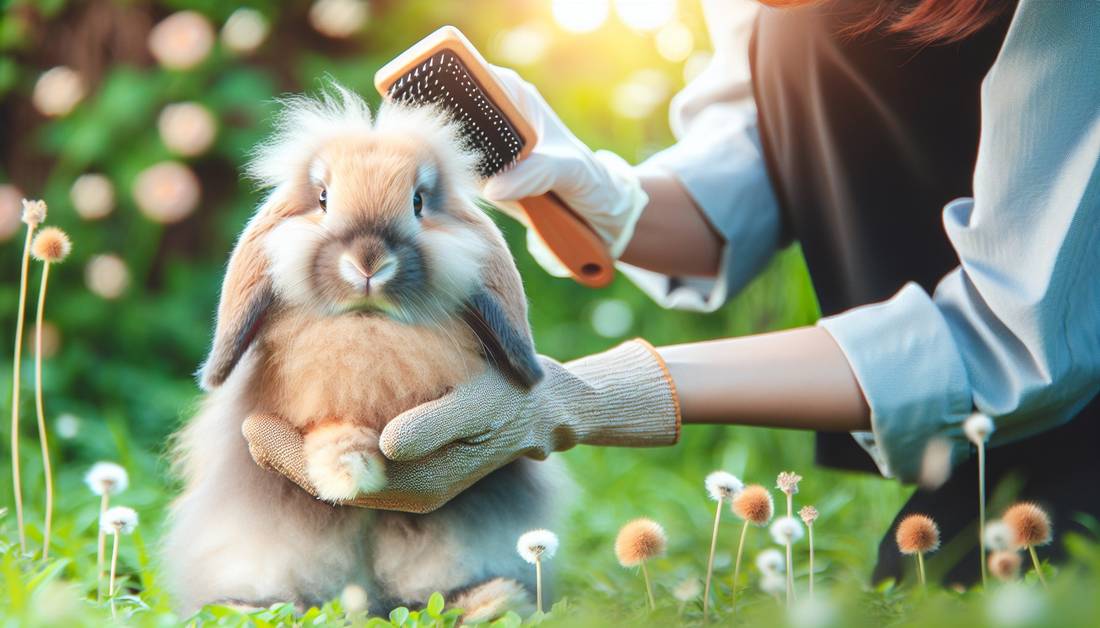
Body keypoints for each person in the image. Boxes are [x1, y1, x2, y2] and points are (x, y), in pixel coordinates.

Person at [249, 0, 1100, 584]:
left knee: (1004, 574)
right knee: (932, 570)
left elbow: (1014, 332)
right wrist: (589, 188)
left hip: (1062, 379)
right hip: (1010, 418)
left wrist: (588, 395)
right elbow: (754, 168)